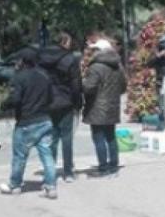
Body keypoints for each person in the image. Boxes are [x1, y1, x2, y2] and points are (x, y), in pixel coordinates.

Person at [0, 48, 58, 198]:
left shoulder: (19, 77)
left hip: (26, 122)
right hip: (45, 120)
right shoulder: (45, 76)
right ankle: (51, 187)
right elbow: (52, 98)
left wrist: (5, 105)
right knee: (47, 155)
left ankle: (15, 185)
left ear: (22, 61)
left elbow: (16, 99)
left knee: (20, 155)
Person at [39, 32, 83, 183]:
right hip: (65, 101)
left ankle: (49, 171)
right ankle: (68, 172)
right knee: (66, 138)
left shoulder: (41, 58)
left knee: (50, 138)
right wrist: (78, 103)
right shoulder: (70, 59)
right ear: (64, 42)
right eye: (69, 42)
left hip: (47, 102)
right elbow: (76, 84)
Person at [83, 39, 126, 178]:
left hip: (97, 106)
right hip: (112, 105)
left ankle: (103, 167)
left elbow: (89, 88)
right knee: (111, 137)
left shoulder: (95, 67)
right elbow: (123, 86)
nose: (92, 52)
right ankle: (113, 166)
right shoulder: (118, 66)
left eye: (95, 49)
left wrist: (81, 83)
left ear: (100, 51)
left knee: (98, 138)